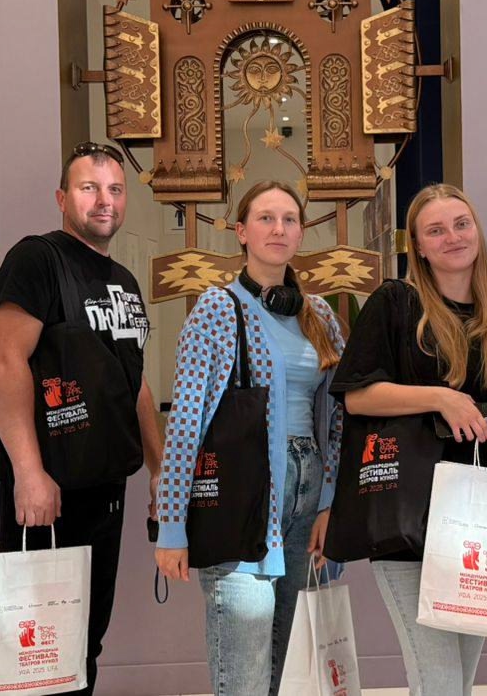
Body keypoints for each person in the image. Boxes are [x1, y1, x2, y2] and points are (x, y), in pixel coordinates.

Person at [332, 182, 487, 696]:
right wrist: (441, 398)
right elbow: (357, 396)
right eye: (436, 230)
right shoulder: (395, 304)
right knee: (439, 679)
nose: (453, 237)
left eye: (461, 224)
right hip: (410, 516)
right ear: (419, 247)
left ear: (477, 232)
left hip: (479, 522)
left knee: (458, 679)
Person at [0, 141, 164, 695]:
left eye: (114, 190)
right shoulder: (37, 259)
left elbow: (134, 383)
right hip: (51, 491)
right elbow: (5, 362)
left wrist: (160, 470)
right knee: (41, 644)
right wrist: (28, 473)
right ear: (63, 198)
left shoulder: (123, 281)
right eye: (89, 188)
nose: (104, 200)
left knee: (86, 637)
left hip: (106, 486)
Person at [155, 180, 345, 696]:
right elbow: (186, 422)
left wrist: (329, 502)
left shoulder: (319, 314)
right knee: (244, 671)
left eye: (289, 219)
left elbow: (338, 417)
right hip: (242, 497)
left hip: (306, 497)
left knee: (282, 662)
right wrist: (171, 527)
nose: (278, 229)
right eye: (265, 218)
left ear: (300, 233)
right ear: (241, 231)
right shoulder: (217, 309)